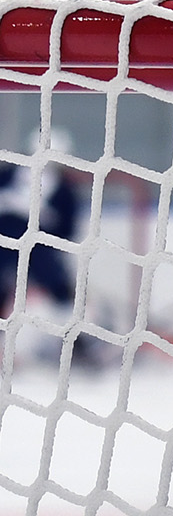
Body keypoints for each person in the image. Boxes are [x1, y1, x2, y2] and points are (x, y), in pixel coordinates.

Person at [2, 124, 88, 363]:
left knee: (59, 290)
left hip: (39, 248)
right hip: (4, 242)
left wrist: (46, 221)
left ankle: (74, 344)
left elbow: (67, 228)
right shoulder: (7, 176)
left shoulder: (65, 190)